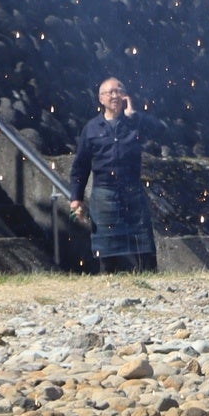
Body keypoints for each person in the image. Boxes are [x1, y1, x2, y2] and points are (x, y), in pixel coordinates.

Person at [68, 78, 158, 273]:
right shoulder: (91, 129)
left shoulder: (135, 124)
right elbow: (81, 166)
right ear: (101, 99)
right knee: (106, 254)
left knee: (145, 252)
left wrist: (136, 116)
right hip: (104, 194)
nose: (115, 95)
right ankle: (108, 288)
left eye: (119, 91)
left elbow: (161, 130)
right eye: (110, 92)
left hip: (133, 194)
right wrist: (76, 198)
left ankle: (152, 286)